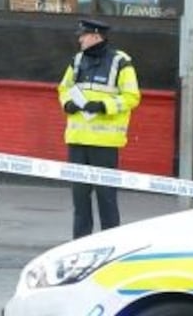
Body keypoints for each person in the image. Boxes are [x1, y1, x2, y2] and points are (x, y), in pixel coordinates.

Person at [58, 18, 141, 239]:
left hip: (105, 145)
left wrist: (104, 106)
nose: (79, 39)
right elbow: (63, 88)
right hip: (77, 140)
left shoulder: (120, 62)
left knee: (107, 200)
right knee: (80, 201)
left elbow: (132, 97)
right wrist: (68, 103)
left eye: (83, 35)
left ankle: (110, 245)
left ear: (96, 36)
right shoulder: (76, 61)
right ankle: (80, 245)